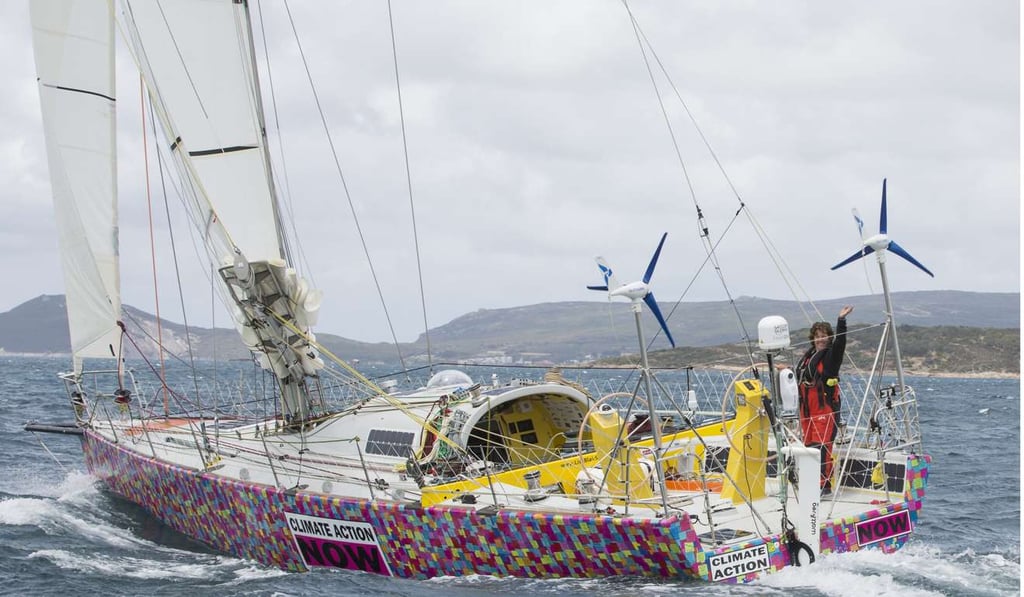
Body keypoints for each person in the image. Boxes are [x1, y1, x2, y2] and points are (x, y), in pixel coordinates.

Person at [796, 305, 853, 494]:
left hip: (825, 409)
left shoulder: (831, 357)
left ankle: (824, 486)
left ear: (829, 337)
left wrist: (841, 321)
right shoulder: (809, 357)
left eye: (824, 335)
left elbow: (841, 343)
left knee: (822, 447)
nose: (820, 339)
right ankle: (810, 481)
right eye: (817, 336)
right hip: (807, 411)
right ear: (813, 338)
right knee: (809, 446)